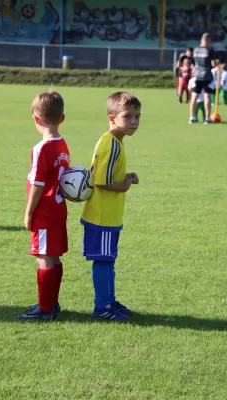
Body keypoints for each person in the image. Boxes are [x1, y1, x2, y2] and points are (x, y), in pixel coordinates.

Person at [81, 92, 141, 321]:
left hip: (106, 214)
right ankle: (102, 308)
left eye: (137, 116)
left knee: (108, 261)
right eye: (128, 116)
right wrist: (124, 185)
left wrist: (124, 176)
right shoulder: (111, 144)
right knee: (104, 262)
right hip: (102, 216)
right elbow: (102, 182)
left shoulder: (113, 141)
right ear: (112, 118)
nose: (134, 121)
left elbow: (106, 174)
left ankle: (109, 302)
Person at [19, 91, 70, 321]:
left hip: (45, 212)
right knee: (53, 256)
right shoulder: (62, 145)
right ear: (62, 118)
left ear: (36, 119)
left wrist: (29, 212)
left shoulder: (42, 148)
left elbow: (38, 185)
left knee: (44, 257)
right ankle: (49, 302)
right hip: (58, 210)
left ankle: (46, 309)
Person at [189, 33, 217, 124]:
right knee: (207, 96)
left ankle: (192, 117)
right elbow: (213, 64)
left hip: (198, 75)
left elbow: (194, 63)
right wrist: (217, 62)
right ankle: (207, 118)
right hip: (207, 76)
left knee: (194, 97)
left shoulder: (196, 50)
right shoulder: (210, 49)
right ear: (208, 40)